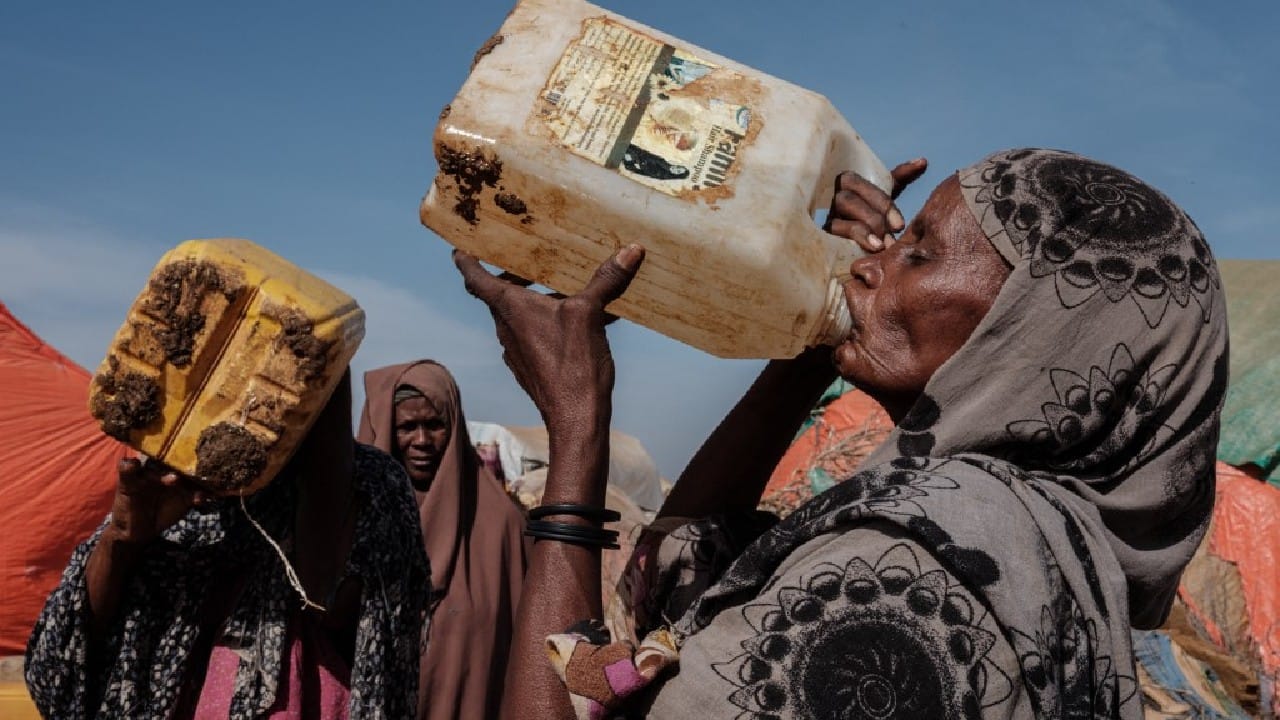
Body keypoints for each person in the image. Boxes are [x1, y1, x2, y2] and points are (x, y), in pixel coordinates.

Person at [455, 148, 1227, 719]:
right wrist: (814, 339)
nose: (869, 264)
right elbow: (675, 576)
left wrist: (579, 428)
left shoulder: (907, 576)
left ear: (1026, 336)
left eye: (918, 253)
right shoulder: (1031, 537)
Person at [25, 371, 430, 719]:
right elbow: (57, 669)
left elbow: (347, 615)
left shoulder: (370, 483)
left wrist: (323, 460)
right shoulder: (169, 481)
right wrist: (123, 540)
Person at [356, 360, 529, 720]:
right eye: (407, 427)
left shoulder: (500, 524)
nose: (422, 441)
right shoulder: (355, 513)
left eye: (435, 425)